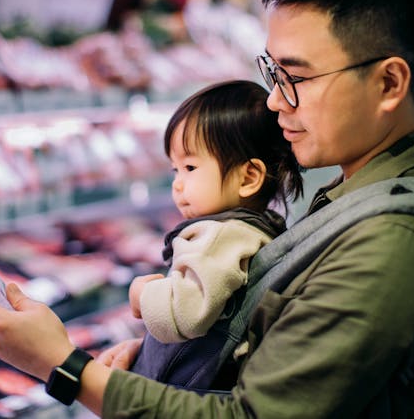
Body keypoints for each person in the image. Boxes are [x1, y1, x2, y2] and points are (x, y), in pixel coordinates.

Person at [0, 0, 414, 418]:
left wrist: (66, 367)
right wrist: (158, 361)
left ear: (389, 84)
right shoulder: (367, 184)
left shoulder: (396, 240)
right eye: (272, 73)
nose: (277, 102)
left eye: (297, 77)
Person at [126, 79, 302, 389]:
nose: (177, 184)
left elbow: (184, 315)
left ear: (248, 177)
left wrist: (142, 294)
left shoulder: (222, 236)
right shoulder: (248, 228)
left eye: (190, 168)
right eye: (174, 170)